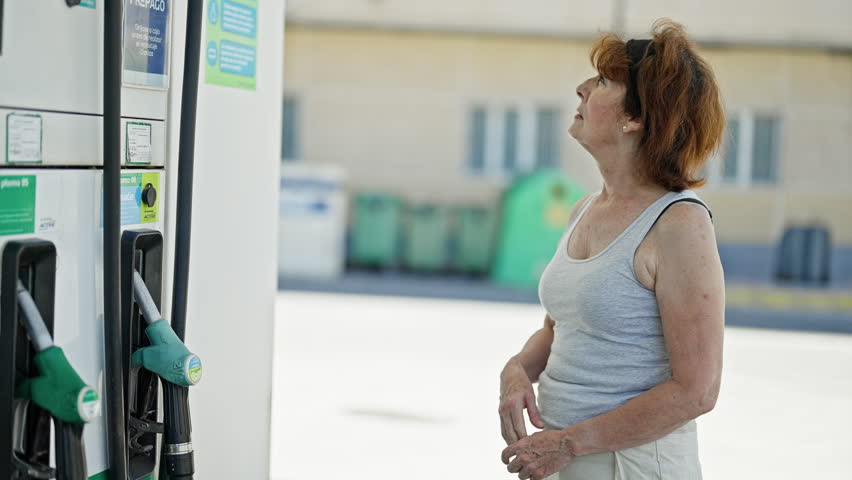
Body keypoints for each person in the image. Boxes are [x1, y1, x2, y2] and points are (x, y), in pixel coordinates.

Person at [498, 19, 726, 480]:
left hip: (631, 465)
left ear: (636, 118)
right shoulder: (584, 209)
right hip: (561, 457)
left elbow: (697, 391)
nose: (582, 89)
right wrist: (516, 370)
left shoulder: (679, 223)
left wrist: (568, 442)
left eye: (603, 81)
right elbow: (559, 329)